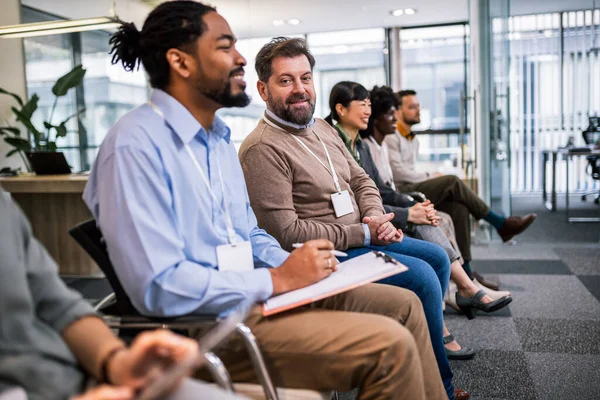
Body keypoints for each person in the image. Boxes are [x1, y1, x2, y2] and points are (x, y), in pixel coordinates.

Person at [83, 2, 446, 399]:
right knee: (389, 344)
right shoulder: (135, 146)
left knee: (406, 306)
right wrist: (277, 278)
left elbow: (250, 233)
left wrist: (289, 266)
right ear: (180, 62)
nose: (240, 59)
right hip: (209, 328)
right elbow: (159, 286)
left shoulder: (216, 140)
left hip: (260, 294)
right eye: (225, 48)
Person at [238, 37, 470, 400]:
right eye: (286, 81)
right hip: (330, 251)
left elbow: (361, 179)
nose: (300, 89)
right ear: (263, 90)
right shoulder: (262, 147)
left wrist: (376, 216)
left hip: (364, 231)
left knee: (438, 258)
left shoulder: (321, 127)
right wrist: (363, 232)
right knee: (423, 278)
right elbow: (285, 233)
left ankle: (426, 364)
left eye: (306, 78)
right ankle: (440, 386)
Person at [325, 81, 512, 357]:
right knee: (430, 224)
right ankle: (464, 289)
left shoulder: (360, 146)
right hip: (361, 224)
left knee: (449, 214)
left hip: (380, 212)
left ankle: (466, 285)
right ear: (340, 109)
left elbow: (379, 189)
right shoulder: (336, 143)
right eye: (362, 104)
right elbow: (362, 195)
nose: (368, 110)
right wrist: (407, 211)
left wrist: (411, 204)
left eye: (369, 104)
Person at [0, 190, 244, 400]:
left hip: (86, 380)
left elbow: (59, 305)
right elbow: (163, 286)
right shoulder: (130, 150)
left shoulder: (4, 208)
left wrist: (116, 360)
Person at [385, 89, 537, 284]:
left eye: (418, 106)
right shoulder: (392, 135)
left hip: (413, 185)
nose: (418, 111)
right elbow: (399, 173)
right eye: (412, 107)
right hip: (402, 192)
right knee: (452, 182)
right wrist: (431, 175)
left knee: (459, 208)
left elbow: (407, 169)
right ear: (397, 112)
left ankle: (468, 274)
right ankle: (500, 223)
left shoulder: (412, 138)